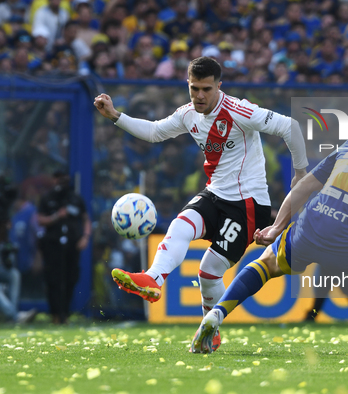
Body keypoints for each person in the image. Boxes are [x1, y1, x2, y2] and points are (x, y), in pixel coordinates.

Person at [191, 91, 348, 356]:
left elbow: (304, 187)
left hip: (312, 224)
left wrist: (276, 227)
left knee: (267, 263)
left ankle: (216, 313)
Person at [94, 57, 308, 347]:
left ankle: (212, 326)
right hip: (215, 193)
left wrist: (301, 172)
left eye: (207, 89)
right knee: (181, 225)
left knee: (208, 272)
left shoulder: (239, 110)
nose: (200, 96)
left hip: (247, 204)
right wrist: (116, 116)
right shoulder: (187, 114)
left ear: (219, 86)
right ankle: (153, 280)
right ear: (188, 84)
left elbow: (291, 126)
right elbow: (156, 132)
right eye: (194, 88)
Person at [37, 170, 91, 324]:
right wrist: (56, 216)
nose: (62, 183)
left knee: (71, 278)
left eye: (65, 180)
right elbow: (39, 219)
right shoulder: (47, 198)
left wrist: (85, 237)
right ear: (53, 180)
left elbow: (86, 219)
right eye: (59, 180)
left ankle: (65, 314)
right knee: (53, 280)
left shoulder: (75, 198)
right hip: (52, 245)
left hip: (73, 244)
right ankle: (54, 314)